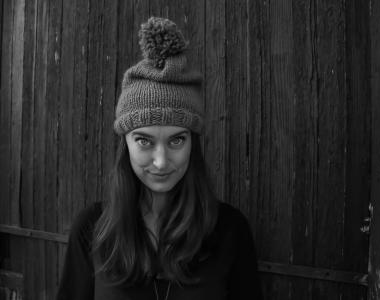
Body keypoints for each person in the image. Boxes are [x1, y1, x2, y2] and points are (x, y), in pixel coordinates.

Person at [57, 16, 263, 300]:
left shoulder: (229, 230)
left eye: (177, 140)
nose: (162, 161)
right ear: (125, 144)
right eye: (144, 141)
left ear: (193, 143)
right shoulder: (92, 229)